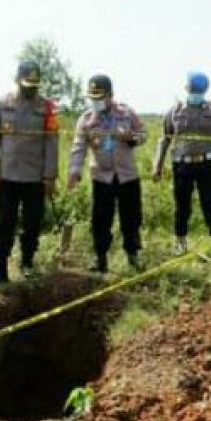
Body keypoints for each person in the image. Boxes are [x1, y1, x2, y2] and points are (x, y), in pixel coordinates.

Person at [0, 61, 59, 284]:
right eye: (27, 83)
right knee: (5, 222)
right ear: (17, 80)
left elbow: (52, 142)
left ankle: (27, 262)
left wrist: (50, 176)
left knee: (32, 223)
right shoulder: (3, 103)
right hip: (8, 175)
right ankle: (0, 269)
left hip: (35, 177)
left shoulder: (48, 108)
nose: (31, 88)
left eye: (35, 84)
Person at [68, 74, 147, 273]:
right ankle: (100, 259)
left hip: (127, 175)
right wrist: (74, 171)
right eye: (92, 97)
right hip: (102, 177)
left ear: (110, 94)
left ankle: (133, 256)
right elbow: (78, 147)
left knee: (131, 218)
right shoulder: (86, 120)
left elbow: (143, 133)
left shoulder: (127, 114)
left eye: (99, 96)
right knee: (100, 220)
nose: (95, 101)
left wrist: (132, 138)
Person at [153, 70, 211, 266]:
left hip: (207, 164)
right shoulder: (175, 111)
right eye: (193, 88)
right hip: (181, 165)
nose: (195, 92)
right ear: (186, 88)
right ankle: (180, 242)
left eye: (199, 89)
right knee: (182, 206)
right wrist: (157, 165)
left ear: (205, 90)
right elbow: (165, 139)